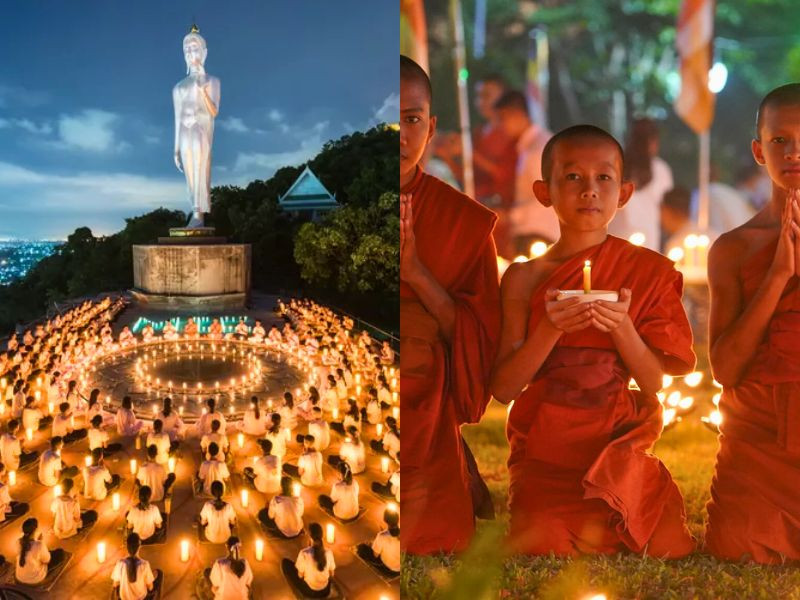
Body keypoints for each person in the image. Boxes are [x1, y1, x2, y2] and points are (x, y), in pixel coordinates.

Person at [490, 124, 695, 557]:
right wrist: (549, 328)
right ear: (544, 192)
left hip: (613, 443)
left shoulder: (649, 271)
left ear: (624, 192)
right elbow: (505, 388)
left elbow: (655, 383)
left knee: (666, 544)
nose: (589, 191)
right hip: (548, 445)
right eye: (572, 177)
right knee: (543, 541)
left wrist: (621, 327)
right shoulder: (524, 278)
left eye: (604, 178)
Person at [400, 55, 501, 554]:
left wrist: (415, 273)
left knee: (431, 535)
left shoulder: (463, 221)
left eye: (411, 120)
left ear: (431, 126)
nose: (399, 135)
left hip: (426, 400)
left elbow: (476, 335)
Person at [705, 83, 800, 563]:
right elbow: (725, 369)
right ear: (759, 151)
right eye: (780, 140)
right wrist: (779, 275)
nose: (794, 152)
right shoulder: (734, 249)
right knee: (737, 546)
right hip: (759, 442)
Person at [494, 90, 557, 252]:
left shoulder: (539, 148)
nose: (500, 126)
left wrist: (509, 215)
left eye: (503, 119)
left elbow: (548, 198)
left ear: (517, 115)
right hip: (530, 231)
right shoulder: (527, 146)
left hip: (540, 233)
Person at [609, 118, 673, 250]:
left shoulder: (615, 165)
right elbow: (666, 207)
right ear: (652, 142)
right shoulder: (660, 169)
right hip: (648, 236)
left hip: (616, 235)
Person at [280, 522, 335, 598]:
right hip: (326, 590)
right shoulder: (328, 552)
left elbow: (300, 575)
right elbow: (332, 574)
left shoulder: (304, 553)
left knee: (285, 563)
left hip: (310, 591)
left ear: (310, 537)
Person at [111, 533, 163, 600]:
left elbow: (115, 584)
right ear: (139, 546)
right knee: (159, 573)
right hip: (141, 598)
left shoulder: (120, 563)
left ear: (127, 547)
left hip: (124, 598)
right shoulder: (144, 565)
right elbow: (150, 587)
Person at [15, 517, 66, 585]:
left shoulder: (18, 542)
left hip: (20, 577)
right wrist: (41, 541)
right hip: (35, 579)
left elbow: (26, 552)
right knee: (60, 553)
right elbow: (47, 560)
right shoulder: (39, 545)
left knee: (43, 555)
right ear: (35, 530)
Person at [356, 508, 400, 576]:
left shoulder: (382, 536)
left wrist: (372, 545)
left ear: (385, 521)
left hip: (389, 568)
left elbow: (375, 555)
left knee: (361, 548)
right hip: (400, 568)